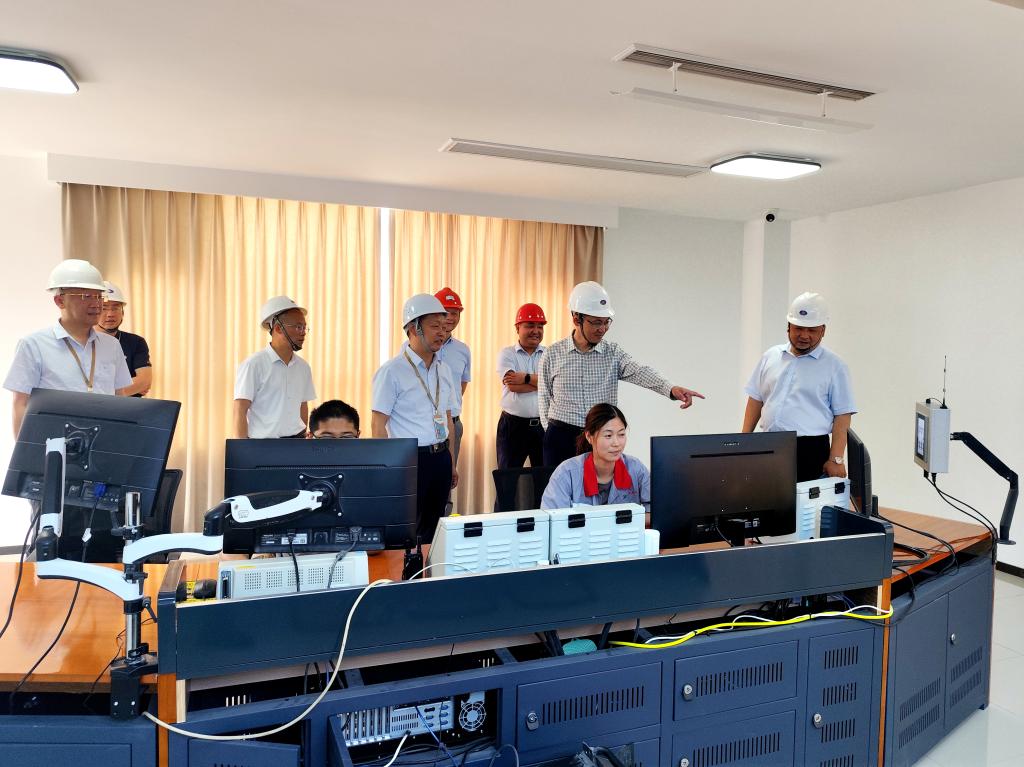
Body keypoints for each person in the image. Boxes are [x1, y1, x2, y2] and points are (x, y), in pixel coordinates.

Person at [537, 281, 705, 467]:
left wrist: (671, 389)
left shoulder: (613, 353)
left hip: (601, 436)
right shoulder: (552, 354)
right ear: (577, 319)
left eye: (606, 322)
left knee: (603, 485)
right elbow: (544, 397)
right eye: (596, 322)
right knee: (558, 485)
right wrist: (550, 432)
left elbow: (640, 371)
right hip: (561, 438)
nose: (602, 329)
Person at [5, 259, 132, 437]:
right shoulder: (33, 345)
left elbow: (120, 397)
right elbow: (21, 404)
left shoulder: (112, 345)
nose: (96, 304)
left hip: (103, 442)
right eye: (86, 296)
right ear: (60, 301)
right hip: (52, 444)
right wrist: (25, 450)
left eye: (98, 296)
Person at [742, 291, 856, 482]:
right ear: (788, 327)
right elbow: (756, 398)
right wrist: (743, 441)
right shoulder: (771, 356)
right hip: (768, 445)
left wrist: (836, 459)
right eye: (798, 328)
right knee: (767, 498)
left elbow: (842, 416)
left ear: (823, 331)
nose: (804, 335)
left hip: (810, 450)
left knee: (803, 501)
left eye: (812, 330)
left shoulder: (835, 366)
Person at [371, 293, 459, 542]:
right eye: (434, 326)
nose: (442, 332)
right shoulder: (392, 371)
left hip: (440, 457)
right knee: (407, 528)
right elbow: (378, 424)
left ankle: (428, 566)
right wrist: (386, 469)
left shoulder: (444, 369)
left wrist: (451, 462)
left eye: (444, 326)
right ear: (413, 328)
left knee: (434, 527)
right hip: (409, 460)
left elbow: (448, 419)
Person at [233, 295, 316, 439]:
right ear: (278, 328)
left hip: (296, 443)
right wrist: (242, 449)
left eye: (304, 327)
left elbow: (303, 406)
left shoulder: (303, 368)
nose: (303, 332)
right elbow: (239, 410)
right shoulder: (253, 365)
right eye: (298, 327)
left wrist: (301, 442)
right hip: (262, 445)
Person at [540, 403, 650, 510]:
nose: (616, 443)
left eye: (621, 434)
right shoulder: (566, 473)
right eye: (608, 435)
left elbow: (655, 510)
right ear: (589, 436)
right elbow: (552, 517)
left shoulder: (636, 469)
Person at [496, 302, 546, 469]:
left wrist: (524, 378)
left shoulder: (549, 354)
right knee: (508, 478)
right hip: (513, 426)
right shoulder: (507, 354)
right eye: (530, 325)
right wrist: (542, 383)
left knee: (544, 478)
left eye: (540, 326)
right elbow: (513, 386)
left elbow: (555, 385)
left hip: (543, 426)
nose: (536, 330)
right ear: (518, 328)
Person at [96, 281, 153, 398]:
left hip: (130, 408)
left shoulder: (136, 342)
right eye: (104, 308)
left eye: (115, 308)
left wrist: (100, 391)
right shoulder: (83, 341)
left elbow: (144, 381)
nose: (110, 314)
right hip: (92, 407)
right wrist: (131, 387)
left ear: (122, 312)